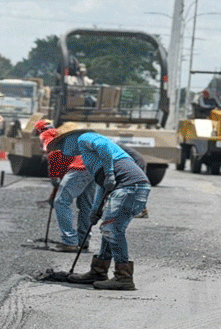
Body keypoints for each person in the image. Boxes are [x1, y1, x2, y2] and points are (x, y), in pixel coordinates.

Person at [48, 122, 150, 290]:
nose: (61, 150)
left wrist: (110, 173)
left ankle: (124, 277)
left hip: (131, 187)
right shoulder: (89, 157)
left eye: (61, 145)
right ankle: (98, 271)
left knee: (112, 229)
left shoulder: (85, 138)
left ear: (71, 138)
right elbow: (102, 185)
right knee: (108, 230)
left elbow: (103, 147)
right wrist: (95, 210)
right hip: (131, 187)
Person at [34, 119, 101, 252]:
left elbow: (55, 159)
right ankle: (83, 241)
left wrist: (55, 182)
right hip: (93, 168)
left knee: (61, 202)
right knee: (85, 206)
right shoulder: (72, 134)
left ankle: (69, 241)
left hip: (79, 169)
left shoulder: (48, 137)